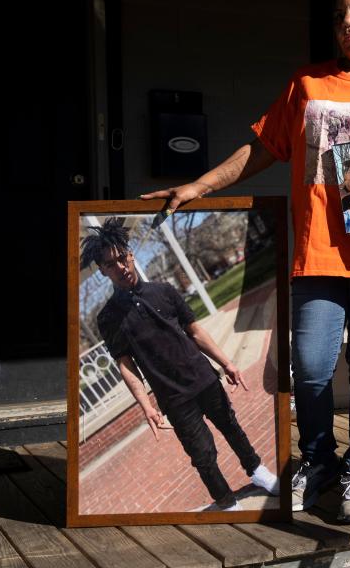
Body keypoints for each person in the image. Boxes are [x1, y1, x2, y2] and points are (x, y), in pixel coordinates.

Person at [141, 0, 350, 524]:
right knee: (309, 369)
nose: (348, 23)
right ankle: (317, 458)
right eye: (339, 16)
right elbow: (263, 148)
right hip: (317, 253)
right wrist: (200, 186)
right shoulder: (307, 83)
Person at [80, 218, 280, 512]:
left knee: (232, 427)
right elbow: (125, 364)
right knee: (202, 454)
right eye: (111, 264)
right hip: (173, 398)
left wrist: (227, 363)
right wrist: (145, 405)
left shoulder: (164, 291)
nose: (121, 267)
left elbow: (196, 332)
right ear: (103, 271)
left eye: (122, 257)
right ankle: (226, 502)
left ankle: (258, 472)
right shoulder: (108, 318)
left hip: (203, 378)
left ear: (131, 254)